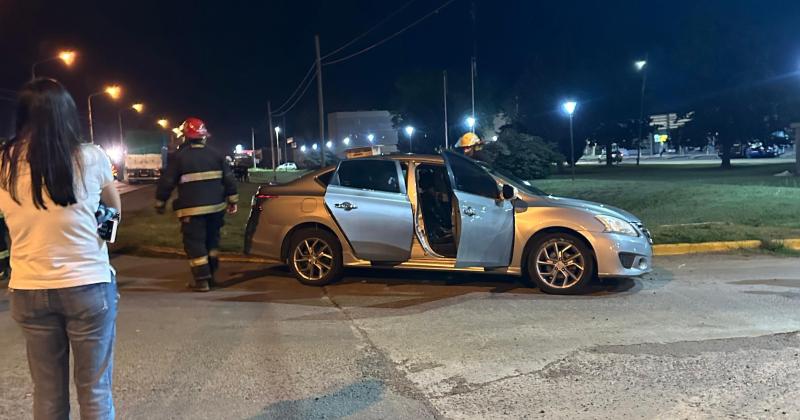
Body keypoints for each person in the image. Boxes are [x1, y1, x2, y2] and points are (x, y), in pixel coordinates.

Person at [2, 78, 121, 419]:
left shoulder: (4, 163)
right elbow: (114, 214)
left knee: (48, 393)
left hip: (28, 287)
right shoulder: (91, 157)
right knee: (95, 391)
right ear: (68, 114)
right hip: (88, 285)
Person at [155, 117, 238, 292]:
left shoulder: (179, 157)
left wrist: (160, 202)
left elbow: (167, 182)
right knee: (212, 243)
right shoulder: (216, 154)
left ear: (186, 136)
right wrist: (233, 200)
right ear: (204, 136)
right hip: (216, 209)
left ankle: (202, 281)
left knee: (195, 243)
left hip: (191, 211)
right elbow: (229, 178)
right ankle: (211, 276)